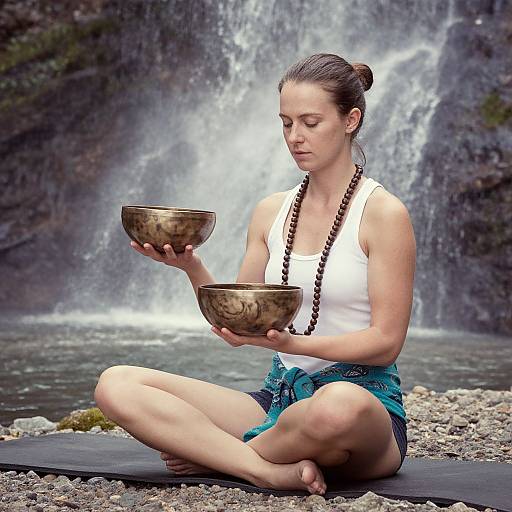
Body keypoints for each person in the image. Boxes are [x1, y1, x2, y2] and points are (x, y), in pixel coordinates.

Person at [94, 53, 416, 496]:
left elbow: (385, 343)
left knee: (335, 408)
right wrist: (191, 265)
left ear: (350, 120)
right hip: (278, 402)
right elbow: (240, 320)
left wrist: (292, 344)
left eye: (310, 122)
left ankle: (216, 455)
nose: (295, 137)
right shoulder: (270, 211)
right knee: (117, 384)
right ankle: (263, 468)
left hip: (364, 408)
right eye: (286, 123)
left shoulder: (384, 214)